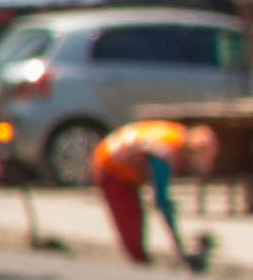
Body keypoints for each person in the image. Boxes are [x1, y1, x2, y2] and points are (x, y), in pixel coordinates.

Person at [86, 115, 217, 270]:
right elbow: (160, 198)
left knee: (136, 214)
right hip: (110, 167)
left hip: (120, 161)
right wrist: (178, 245)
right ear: (193, 152)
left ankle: (140, 259)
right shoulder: (165, 152)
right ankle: (139, 262)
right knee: (130, 217)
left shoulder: (177, 134)